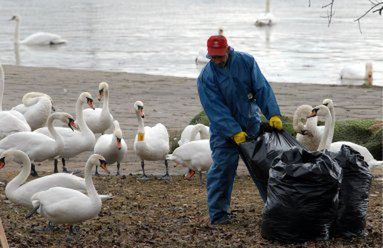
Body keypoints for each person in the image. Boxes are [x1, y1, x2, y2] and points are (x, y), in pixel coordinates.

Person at [196, 34, 283, 225]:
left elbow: (262, 89)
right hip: (223, 133)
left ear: (228, 49)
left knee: (263, 168)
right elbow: (215, 109)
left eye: (220, 56)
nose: (217, 60)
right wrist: (233, 131)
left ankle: (276, 208)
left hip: (251, 125)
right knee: (222, 170)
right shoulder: (205, 78)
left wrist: (273, 114)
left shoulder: (247, 62)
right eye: (213, 57)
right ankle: (219, 215)